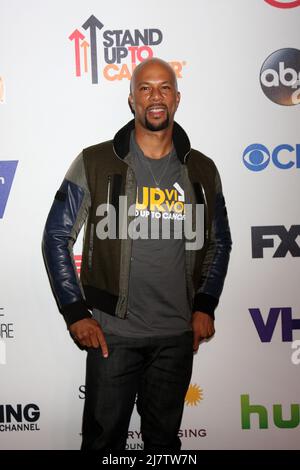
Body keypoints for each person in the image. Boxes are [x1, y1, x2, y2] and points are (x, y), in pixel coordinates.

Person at [42, 58, 232, 451]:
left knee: (163, 445)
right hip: (114, 334)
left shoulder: (202, 170)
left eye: (164, 87)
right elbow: (56, 236)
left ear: (177, 98)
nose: (155, 96)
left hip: (176, 336)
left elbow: (220, 242)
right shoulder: (95, 162)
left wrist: (205, 305)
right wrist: (76, 312)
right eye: (146, 88)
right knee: (102, 446)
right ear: (132, 100)